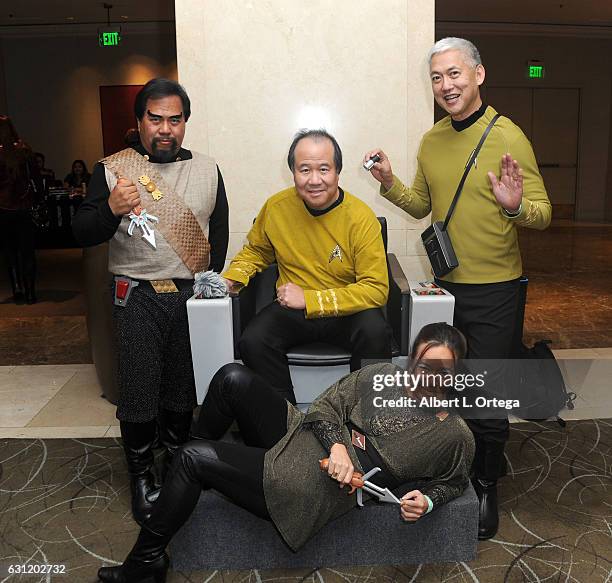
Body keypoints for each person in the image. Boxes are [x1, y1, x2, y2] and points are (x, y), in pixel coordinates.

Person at [97, 322, 474, 583]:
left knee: (193, 458)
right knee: (232, 376)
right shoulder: (379, 377)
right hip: (309, 434)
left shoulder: (453, 434)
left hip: (315, 483)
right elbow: (325, 407)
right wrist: (339, 444)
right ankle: (183, 487)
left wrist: (427, 500)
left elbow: (454, 482)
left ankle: (143, 565)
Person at [364, 37, 552, 540]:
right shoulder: (431, 141)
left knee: (487, 395)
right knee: (446, 387)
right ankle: (460, 462)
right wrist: (388, 180)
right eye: (437, 77)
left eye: (454, 74)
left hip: (497, 290)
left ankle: (486, 482)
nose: (446, 85)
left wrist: (514, 206)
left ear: (478, 75)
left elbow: (543, 213)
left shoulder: (508, 136)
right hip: (444, 290)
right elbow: (422, 204)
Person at [72, 78, 229, 526]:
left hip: (188, 296)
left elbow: (218, 232)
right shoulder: (113, 171)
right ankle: (140, 475)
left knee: (182, 387)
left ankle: (176, 463)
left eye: (174, 120)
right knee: (140, 389)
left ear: (185, 123)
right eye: (155, 119)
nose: (165, 129)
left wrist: (205, 287)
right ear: (139, 123)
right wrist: (110, 210)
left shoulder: (208, 168)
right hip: (135, 295)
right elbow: (82, 232)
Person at [223, 129, 393, 405]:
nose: (315, 180)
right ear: (293, 172)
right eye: (304, 170)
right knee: (253, 341)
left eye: (324, 169)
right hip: (292, 312)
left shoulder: (361, 218)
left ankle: (362, 423)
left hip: (346, 310)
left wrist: (310, 299)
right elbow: (256, 251)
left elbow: (375, 290)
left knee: (375, 332)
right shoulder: (277, 207)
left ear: (338, 172)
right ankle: (284, 422)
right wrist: (231, 279)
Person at [0, 115, 41, 304]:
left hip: (4, 208)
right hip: (24, 206)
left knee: (10, 251)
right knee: (27, 251)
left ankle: (17, 289)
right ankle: (30, 291)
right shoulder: (24, 150)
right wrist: (39, 199)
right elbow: (36, 178)